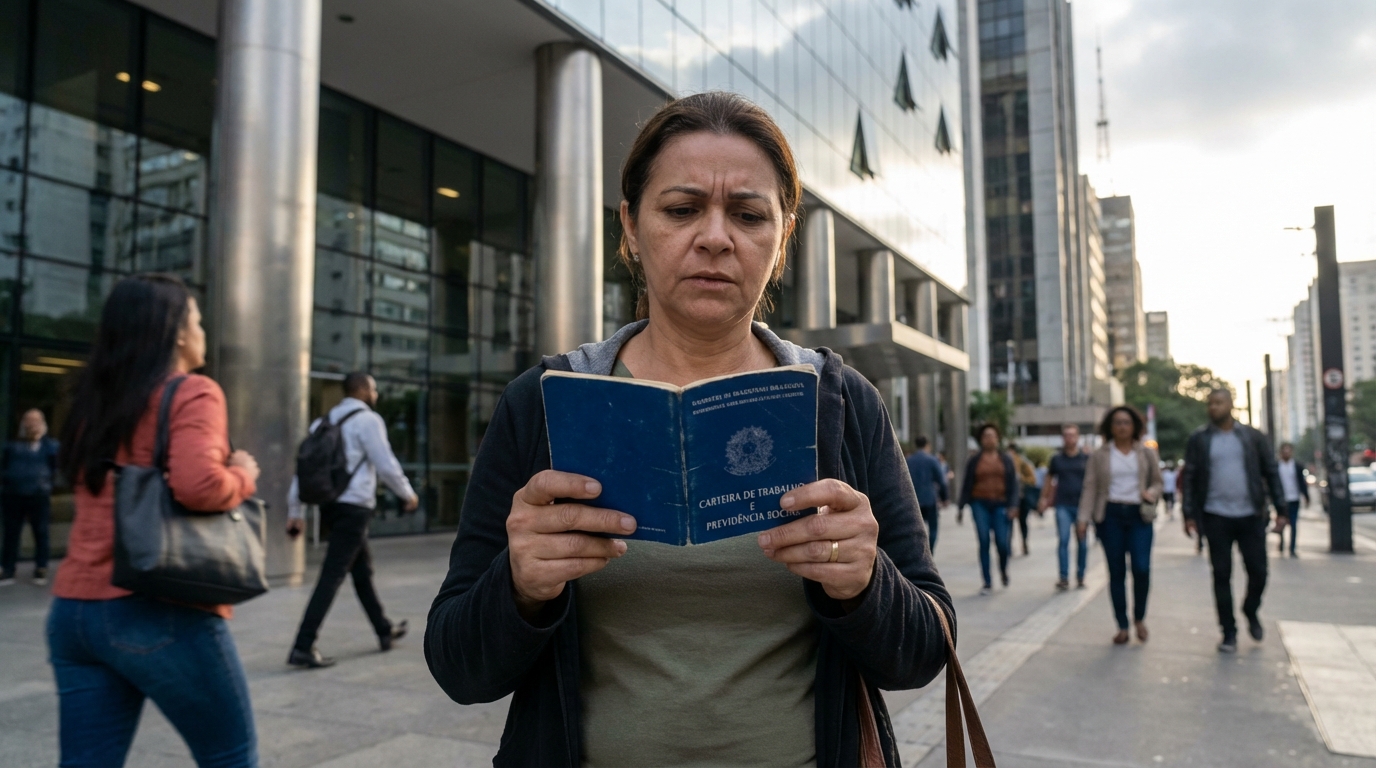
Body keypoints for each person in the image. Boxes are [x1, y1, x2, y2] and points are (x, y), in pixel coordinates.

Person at [423, 92, 953, 767]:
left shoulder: (841, 404)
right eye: (681, 209)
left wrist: (866, 583)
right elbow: (457, 665)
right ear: (629, 228)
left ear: (782, 238)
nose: (714, 237)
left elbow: (925, 649)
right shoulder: (546, 404)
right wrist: (520, 585)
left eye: (748, 214)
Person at [49, 274, 261, 767]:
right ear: (178, 333)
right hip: (158, 607)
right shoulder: (193, 393)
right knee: (230, 755)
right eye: (198, 319)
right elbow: (200, 486)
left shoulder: (92, 401)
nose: (204, 330)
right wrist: (243, 474)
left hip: (74, 611)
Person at [285, 372, 418, 668]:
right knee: (332, 575)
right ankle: (303, 645)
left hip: (331, 506)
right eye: (373, 388)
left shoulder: (323, 422)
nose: (376, 394)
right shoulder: (368, 420)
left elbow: (303, 469)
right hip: (355, 507)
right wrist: (407, 494)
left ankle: (384, 630)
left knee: (361, 572)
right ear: (361, 390)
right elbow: (386, 463)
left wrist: (295, 512)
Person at [1181, 388, 1285, 654]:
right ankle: (1228, 632)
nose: (1213, 408)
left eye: (1218, 403)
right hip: (1216, 517)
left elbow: (1271, 473)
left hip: (1251, 516)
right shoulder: (1199, 439)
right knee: (1221, 575)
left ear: (1230, 405)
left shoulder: (1252, 437)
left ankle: (1250, 609)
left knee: (1259, 572)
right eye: (1210, 404)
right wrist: (1189, 514)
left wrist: (1281, 509)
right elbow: (1190, 478)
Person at [1077, 406, 1163, 645]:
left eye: (1126, 422)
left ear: (1134, 426)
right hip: (1110, 515)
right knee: (1116, 572)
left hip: (1139, 516)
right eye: (1117, 422)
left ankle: (1139, 618)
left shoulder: (1146, 453)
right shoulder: (1100, 454)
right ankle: (1122, 625)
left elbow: (1158, 481)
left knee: (1142, 568)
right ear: (1110, 427)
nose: (1122, 426)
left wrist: (1152, 493)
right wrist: (1083, 519)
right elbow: (1090, 487)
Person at [0, 409, 59, 586]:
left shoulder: (50, 446)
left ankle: (41, 568)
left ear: (42, 423)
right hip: (13, 494)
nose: (31, 424)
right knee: (11, 533)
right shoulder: (12, 446)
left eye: (35, 421)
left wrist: (48, 485)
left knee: (41, 532)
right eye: (28, 420)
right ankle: (8, 569)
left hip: (38, 495)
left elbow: (55, 468)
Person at [958, 423, 1019, 595]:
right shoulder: (974, 460)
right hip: (980, 503)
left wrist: (1013, 505)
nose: (989, 439)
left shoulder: (1006, 459)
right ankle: (987, 581)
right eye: (986, 436)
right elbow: (967, 484)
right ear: (981, 439)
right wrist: (961, 507)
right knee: (984, 540)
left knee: (1002, 542)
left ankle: (1004, 569)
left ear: (998, 439)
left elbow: (1014, 485)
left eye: (992, 436)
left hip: (1001, 503)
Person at [1039, 424, 1090, 591]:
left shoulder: (1085, 458)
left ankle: (1081, 575)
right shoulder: (1057, 459)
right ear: (1063, 438)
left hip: (1081, 505)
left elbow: (1092, 482)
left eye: (1072, 435)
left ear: (1078, 437)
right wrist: (1044, 498)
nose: (1069, 438)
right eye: (1066, 435)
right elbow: (1049, 479)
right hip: (1063, 505)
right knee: (1063, 539)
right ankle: (1063, 576)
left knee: (1082, 541)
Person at [906, 436, 949, 552]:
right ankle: (930, 551)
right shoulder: (932, 460)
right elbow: (941, 480)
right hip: (929, 498)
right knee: (933, 528)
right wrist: (945, 497)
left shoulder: (909, 460)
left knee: (915, 528)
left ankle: (918, 552)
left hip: (913, 499)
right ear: (927, 445)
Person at [1272, 442, 1309, 558]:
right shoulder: (1277, 466)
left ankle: (1292, 548)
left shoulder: (1297, 466)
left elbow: (1302, 483)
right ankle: (1281, 542)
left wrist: (1306, 496)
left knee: (1293, 524)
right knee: (1281, 522)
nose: (1286, 453)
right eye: (1284, 451)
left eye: (1288, 451)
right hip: (1281, 500)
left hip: (1294, 498)